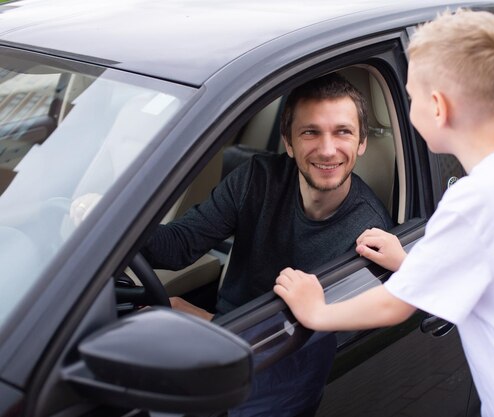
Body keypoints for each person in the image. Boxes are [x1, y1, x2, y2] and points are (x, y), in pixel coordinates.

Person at [274, 9, 494, 417]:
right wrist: (413, 262)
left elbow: (395, 306)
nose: (408, 110)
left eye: (410, 97)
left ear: (437, 108)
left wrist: (317, 311)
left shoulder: (472, 202)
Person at [141, 72, 394, 416]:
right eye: (310, 132)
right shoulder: (256, 178)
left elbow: (311, 350)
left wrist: (202, 320)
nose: (327, 149)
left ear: (361, 142)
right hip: (221, 345)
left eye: (343, 132)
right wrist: (107, 223)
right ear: (288, 142)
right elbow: (179, 246)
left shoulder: (367, 232)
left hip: (272, 379)